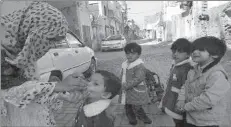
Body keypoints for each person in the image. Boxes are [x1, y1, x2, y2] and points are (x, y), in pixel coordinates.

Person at [1, 1, 89, 126]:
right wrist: (58, 86)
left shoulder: (22, 54)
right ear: (33, 32)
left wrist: (60, 95)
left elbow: (30, 95)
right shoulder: (5, 52)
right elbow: (8, 94)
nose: (52, 46)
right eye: (51, 39)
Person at [176, 36, 231, 127]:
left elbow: (207, 100)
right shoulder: (193, 70)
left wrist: (185, 107)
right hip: (191, 118)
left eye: (201, 50)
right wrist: (181, 99)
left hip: (207, 122)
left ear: (215, 55)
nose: (194, 52)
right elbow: (185, 86)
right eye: (193, 49)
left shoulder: (217, 75)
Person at [159, 38, 193, 127]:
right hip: (172, 99)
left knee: (179, 121)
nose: (175, 54)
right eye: (174, 51)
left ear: (188, 54)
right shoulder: (176, 64)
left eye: (180, 52)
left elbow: (186, 87)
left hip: (178, 102)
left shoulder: (186, 68)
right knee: (176, 120)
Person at [120, 42, 152, 125]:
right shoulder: (125, 64)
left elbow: (138, 78)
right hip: (126, 91)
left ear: (138, 55)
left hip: (135, 91)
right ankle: (132, 119)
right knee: (127, 106)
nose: (129, 55)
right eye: (127, 53)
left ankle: (143, 117)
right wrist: (120, 82)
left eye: (133, 53)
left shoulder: (139, 66)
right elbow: (122, 75)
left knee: (137, 106)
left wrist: (126, 85)